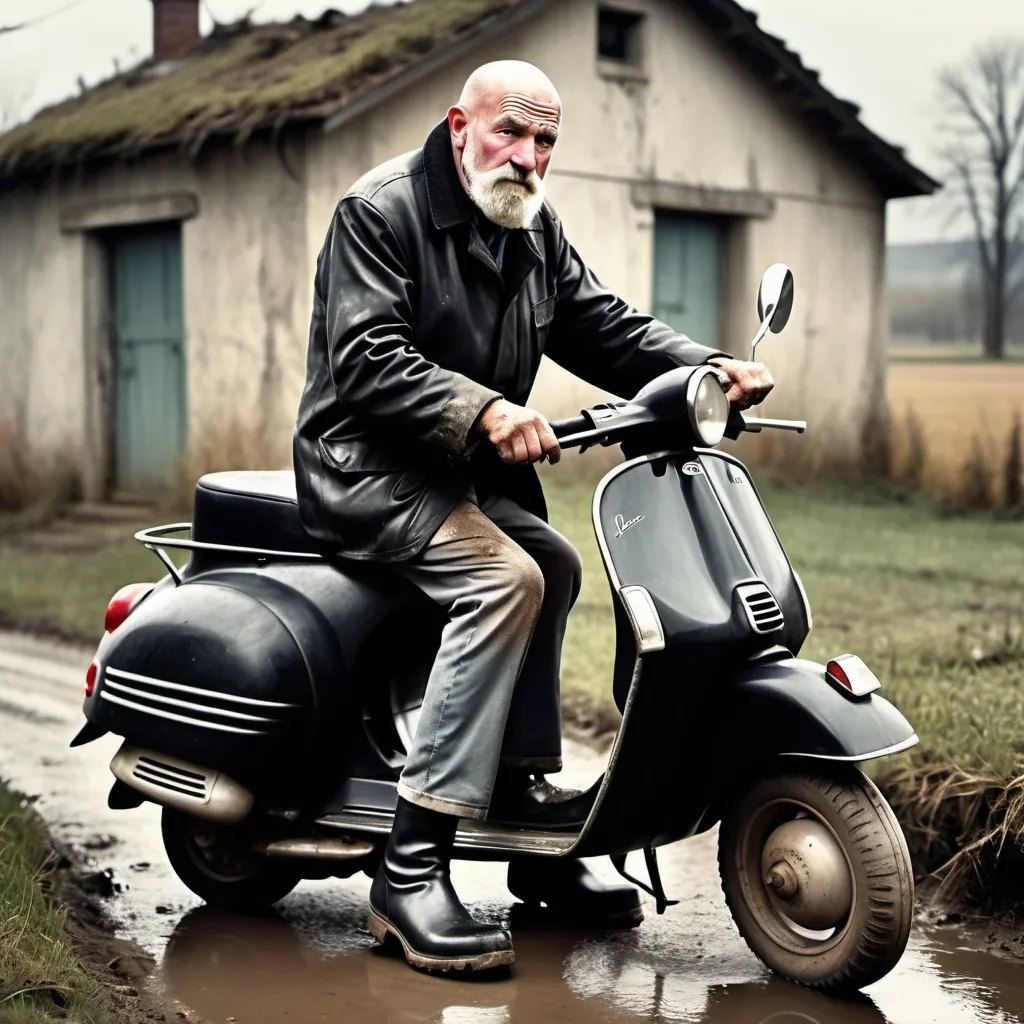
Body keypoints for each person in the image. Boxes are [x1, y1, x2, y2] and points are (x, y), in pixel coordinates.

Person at [293, 59, 773, 972]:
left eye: (546, 140)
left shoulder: (530, 227)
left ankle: (517, 803)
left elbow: (606, 325)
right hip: (364, 465)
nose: (528, 156)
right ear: (459, 125)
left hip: (454, 473)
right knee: (504, 577)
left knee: (553, 563)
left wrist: (708, 369)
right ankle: (409, 867)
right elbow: (364, 359)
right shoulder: (380, 211)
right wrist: (484, 410)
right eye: (511, 132)